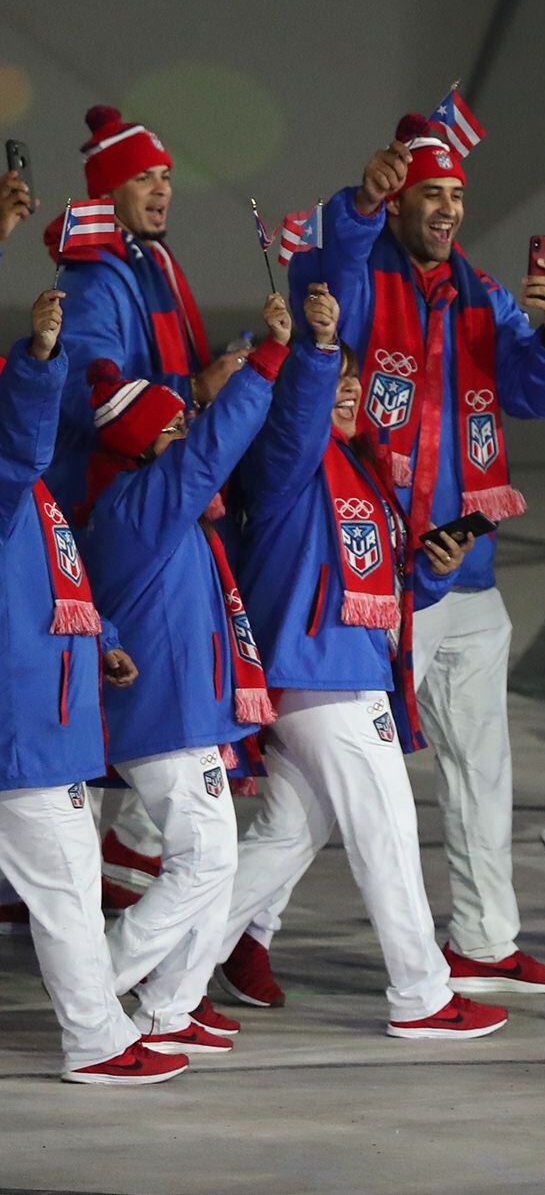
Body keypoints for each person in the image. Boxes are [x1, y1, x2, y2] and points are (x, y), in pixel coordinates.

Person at [288, 115, 545, 997]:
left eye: (459, 195)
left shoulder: (482, 294)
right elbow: (321, 275)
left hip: (471, 574)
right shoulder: (365, 278)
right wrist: (356, 207)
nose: (450, 210)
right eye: (433, 194)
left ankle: (487, 941)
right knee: (317, 793)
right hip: (387, 579)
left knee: (482, 770)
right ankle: (244, 929)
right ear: (399, 201)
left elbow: (534, 390)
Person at [204, 285, 505, 1039]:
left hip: (341, 668)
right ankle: (421, 992)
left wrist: (434, 569)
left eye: (353, 377)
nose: (346, 387)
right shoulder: (282, 465)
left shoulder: (362, 469)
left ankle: (156, 972)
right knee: (387, 828)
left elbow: (379, 579)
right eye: (334, 376)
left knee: (283, 842)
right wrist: (316, 347)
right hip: (321, 673)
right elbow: (298, 420)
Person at [82, 295, 297, 1056]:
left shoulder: (154, 505)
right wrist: (269, 359)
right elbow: (216, 446)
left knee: (215, 857)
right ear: (144, 446)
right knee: (204, 858)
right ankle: (96, 985)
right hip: (163, 711)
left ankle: (169, 1007)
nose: (187, 437)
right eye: (174, 428)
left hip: (184, 708)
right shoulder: (142, 501)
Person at [47, 108, 239, 904]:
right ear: (108, 189)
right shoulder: (97, 280)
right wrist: (200, 392)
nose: (162, 190)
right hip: (108, 511)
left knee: (111, 698)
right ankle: (88, 873)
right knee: (120, 690)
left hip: (146, 501)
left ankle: (103, 859)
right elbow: (93, 392)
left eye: (166, 176)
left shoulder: (148, 267)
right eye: (144, 178)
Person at [0, 288, 177, 1084]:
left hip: (44, 722)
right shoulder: (9, 486)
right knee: (67, 888)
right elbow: (22, 444)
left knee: (66, 885)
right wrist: (39, 361)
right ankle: (95, 1040)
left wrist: (101, 638)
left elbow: (55, 585)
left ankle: (99, 1029)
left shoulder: (30, 501)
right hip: (23, 730)